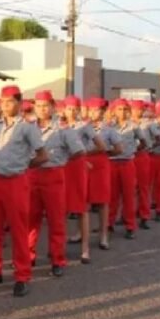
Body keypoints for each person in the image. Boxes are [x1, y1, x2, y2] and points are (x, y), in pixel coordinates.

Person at [0, 85, 47, 297]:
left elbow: (43, 155)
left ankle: (22, 275)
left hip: (16, 181)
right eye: (2, 102)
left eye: (9, 101)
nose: (5, 106)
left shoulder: (27, 127)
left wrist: (24, 166)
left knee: (19, 230)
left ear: (19, 104)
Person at [29, 91, 84, 275]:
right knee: (31, 218)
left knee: (56, 219)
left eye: (45, 105)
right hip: (32, 174)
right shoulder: (28, 127)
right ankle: (28, 255)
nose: (41, 109)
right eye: (38, 106)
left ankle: (57, 258)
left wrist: (63, 160)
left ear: (53, 107)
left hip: (54, 175)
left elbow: (79, 150)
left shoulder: (63, 128)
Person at [64, 95, 105, 263]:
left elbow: (100, 146)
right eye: (69, 108)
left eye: (75, 109)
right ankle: (58, 249)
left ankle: (85, 249)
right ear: (63, 110)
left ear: (80, 110)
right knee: (61, 208)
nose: (72, 112)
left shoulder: (85, 126)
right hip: (62, 167)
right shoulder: (59, 127)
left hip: (77, 167)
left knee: (81, 207)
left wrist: (83, 154)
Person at [85, 98, 122, 250]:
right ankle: (81, 233)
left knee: (102, 201)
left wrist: (106, 152)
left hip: (100, 165)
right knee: (83, 200)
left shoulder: (108, 129)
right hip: (83, 164)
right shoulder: (81, 127)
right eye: (92, 110)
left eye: (98, 110)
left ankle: (103, 234)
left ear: (103, 112)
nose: (94, 113)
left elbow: (119, 149)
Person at [108, 99, 140, 240]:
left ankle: (130, 225)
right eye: (119, 109)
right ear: (114, 111)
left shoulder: (134, 126)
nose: (122, 112)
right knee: (112, 196)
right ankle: (109, 222)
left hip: (127, 162)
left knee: (129, 195)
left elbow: (144, 141)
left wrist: (133, 150)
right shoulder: (108, 127)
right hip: (112, 163)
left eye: (125, 109)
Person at [130, 100, 159, 229]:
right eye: (136, 109)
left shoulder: (148, 124)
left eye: (141, 110)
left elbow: (159, 139)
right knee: (129, 189)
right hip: (130, 157)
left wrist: (148, 146)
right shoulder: (127, 124)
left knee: (143, 187)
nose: (138, 112)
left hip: (142, 156)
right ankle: (126, 215)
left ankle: (144, 216)